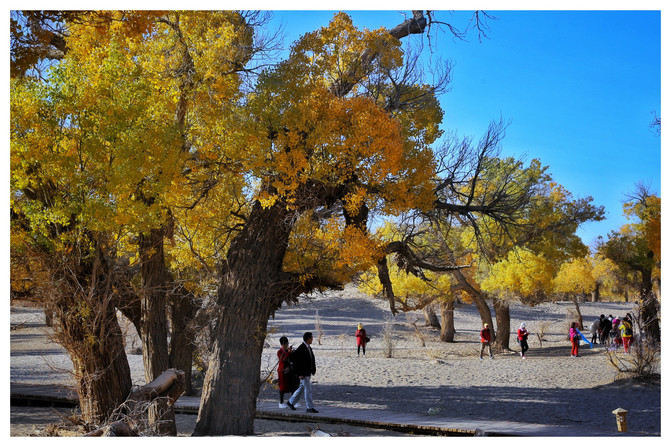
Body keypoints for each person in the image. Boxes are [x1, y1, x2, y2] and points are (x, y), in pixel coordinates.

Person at [287, 332, 318, 413]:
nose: (312, 339)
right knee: (308, 390)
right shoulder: (302, 348)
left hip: (307, 372)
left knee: (301, 389)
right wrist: (300, 374)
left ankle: (291, 402)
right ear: (308, 339)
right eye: (311, 338)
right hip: (303, 373)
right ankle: (309, 407)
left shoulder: (308, 347)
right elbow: (295, 360)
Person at [277, 336, 299, 408]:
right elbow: (283, 359)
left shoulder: (288, 350)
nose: (286, 345)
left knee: (293, 385)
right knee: (282, 387)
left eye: (287, 343)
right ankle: (281, 402)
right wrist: (288, 353)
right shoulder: (279, 352)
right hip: (282, 371)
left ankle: (293, 402)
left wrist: (292, 352)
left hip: (290, 370)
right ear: (282, 344)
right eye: (285, 344)